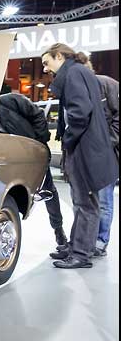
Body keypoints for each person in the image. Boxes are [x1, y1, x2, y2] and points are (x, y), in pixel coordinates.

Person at [42, 44, 118, 269]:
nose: (45, 68)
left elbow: (79, 112)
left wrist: (67, 139)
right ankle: (76, 248)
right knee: (85, 203)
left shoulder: (74, 73)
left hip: (85, 150)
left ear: (59, 56)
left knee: (86, 204)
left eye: (46, 62)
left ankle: (81, 254)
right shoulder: (81, 72)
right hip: (90, 149)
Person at [0, 85, 67, 247]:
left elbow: (38, 115)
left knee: (48, 191)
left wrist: (38, 143)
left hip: (31, 154)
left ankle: (58, 230)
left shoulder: (11, 101)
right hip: (6, 161)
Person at [89, 65, 119, 256]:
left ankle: (101, 240)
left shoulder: (107, 84)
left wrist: (108, 142)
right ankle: (87, 240)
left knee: (104, 200)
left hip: (107, 154)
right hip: (86, 154)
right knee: (86, 201)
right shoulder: (75, 87)